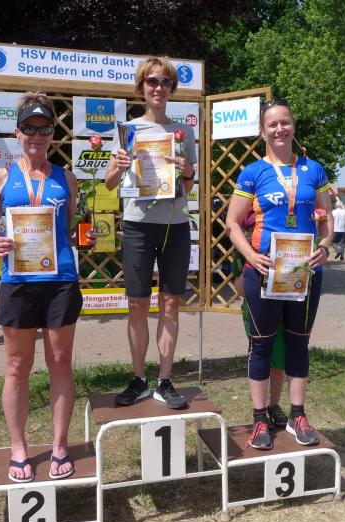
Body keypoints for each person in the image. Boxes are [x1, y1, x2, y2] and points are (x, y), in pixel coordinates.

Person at [0, 93, 96, 483]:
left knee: (60, 363)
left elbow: (72, 230)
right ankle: (19, 449)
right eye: (28, 128)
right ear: (17, 133)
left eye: (44, 128)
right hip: (17, 282)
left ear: (52, 134)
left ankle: (60, 445)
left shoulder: (66, 178)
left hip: (60, 281)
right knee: (17, 367)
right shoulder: (0, 178)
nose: (36, 135)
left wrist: (84, 237)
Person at [226, 98, 332, 450]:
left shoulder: (314, 170)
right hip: (264, 271)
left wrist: (325, 246)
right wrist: (251, 256)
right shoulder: (253, 172)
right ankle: (260, 419)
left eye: (284, 122)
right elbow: (232, 223)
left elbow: (326, 220)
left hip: (304, 271)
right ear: (263, 132)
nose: (279, 129)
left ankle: (297, 415)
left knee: (299, 342)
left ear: (293, 126)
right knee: (261, 345)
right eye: (272, 124)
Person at [104, 57, 197, 410]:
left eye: (165, 82)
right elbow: (109, 183)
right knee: (137, 303)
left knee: (171, 302)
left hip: (174, 225)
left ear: (172, 89)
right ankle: (139, 378)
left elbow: (187, 187)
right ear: (141, 87)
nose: (158, 88)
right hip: (138, 225)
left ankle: (165, 380)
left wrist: (188, 172)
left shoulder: (183, 132)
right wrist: (118, 168)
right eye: (152, 81)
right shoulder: (128, 130)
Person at [233, 208, 289, 428]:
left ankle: (274, 405)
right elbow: (240, 289)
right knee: (260, 356)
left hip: (283, 309)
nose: (251, 235)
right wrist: (251, 265)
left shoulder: (283, 246)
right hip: (254, 312)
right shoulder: (241, 253)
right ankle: (259, 410)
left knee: (279, 361)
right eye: (249, 230)